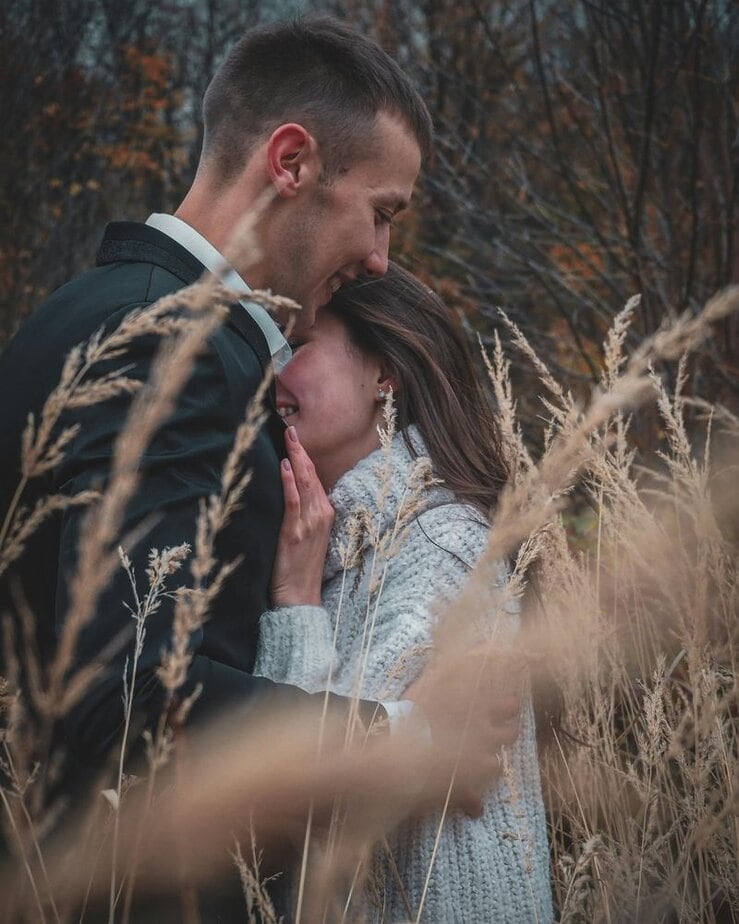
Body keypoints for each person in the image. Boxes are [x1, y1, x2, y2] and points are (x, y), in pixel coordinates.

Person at [0, 17, 516, 832]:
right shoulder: (177, 349)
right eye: (381, 212)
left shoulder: (90, 311)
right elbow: (123, 695)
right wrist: (401, 738)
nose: (381, 257)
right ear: (291, 162)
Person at [254, 263, 554, 922]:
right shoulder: (348, 540)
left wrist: (297, 605)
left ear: (383, 375)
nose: (271, 373)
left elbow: (306, 794)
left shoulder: (441, 549)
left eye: (297, 348)